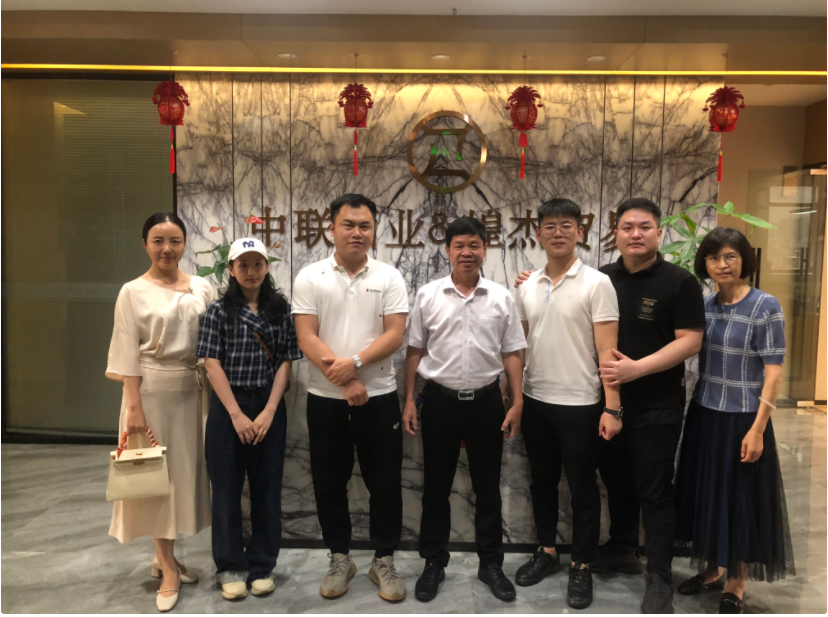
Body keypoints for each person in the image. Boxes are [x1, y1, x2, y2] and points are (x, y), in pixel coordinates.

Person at [291, 194, 409, 603]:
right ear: (331, 229)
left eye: (364, 226)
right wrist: (345, 382)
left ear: (374, 230)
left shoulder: (389, 276)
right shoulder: (311, 276)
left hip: (379, 396)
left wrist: (355, 365)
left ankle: (384, 559)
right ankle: (339, 558)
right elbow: (306, 336)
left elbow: (395, 334)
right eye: (348, 224)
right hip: (326, 398)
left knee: (385, 482)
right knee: (329, 481)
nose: (357, 232)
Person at [403, 216, 527, 603]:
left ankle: (490, 564)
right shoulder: (428, 295)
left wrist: (517, 401)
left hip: (487, 403)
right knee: (435, 488)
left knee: (488, 488)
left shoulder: (501, 297)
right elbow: (414, 350)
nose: (466, 252)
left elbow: (512, 352)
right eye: (459, 246)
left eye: (474, 245)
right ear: (447, 251)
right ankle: (433, 562)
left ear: (485, 250)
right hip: (439, 402)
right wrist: (409, 400)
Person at [590, 198, 705, 613]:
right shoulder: (601, 278)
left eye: (644, 227)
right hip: (607, 404)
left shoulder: (680, 281)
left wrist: (637, 369)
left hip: (657, 404)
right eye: (627, 227)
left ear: (659, 233)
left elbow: (690, 340)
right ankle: (622, 547)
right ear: (615, 234)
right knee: (616, 480)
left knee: (654, 491)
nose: (635, 234)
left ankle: (659, 577)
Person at [506, 198, 621, 610]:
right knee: (542, 483)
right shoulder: (527, 285)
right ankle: (547, 551)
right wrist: (515, 395)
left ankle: (582, 564)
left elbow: (608, 352)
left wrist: (612, 407)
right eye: (550, 226)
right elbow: (519, 345)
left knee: (583, 487)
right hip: (536, 400)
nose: (558, 232)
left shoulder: (597, 283)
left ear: (579, 232)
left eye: (566, 225)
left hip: (581, 403)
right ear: (537, 233)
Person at [674, 227, 794, 614]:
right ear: (704, 263)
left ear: (745, 260)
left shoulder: (765, 305)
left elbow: (774, 372)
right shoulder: (705, 305)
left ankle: (737, 580)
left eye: (730, 256)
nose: (721, 264)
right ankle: (712, 570)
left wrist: (758, 429)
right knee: (708, 493)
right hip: (705, 412)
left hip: (744, 418)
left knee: (740, 496)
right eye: (713, 257)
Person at [106, 212, 213, 613]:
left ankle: (163, 555)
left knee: (182, 477)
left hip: (192, 390)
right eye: (158, 241)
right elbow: (125, 351)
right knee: (155, 481)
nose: (167, 249)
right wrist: (134, 406)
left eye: (174, 241)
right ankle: (168, 567)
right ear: (145, 245)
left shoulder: (202, 286)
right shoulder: (132, 291)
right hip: (149, 394)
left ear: (185, 244)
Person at [197, 237, 302, 602]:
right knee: (226, 490)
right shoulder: (217, 311)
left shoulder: (280, 310)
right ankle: (229, 566)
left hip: (269, 404)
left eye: (258, 264)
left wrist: (270, 410)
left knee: (266, 489)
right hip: (230, 407)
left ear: (267, 267)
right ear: (230, 269)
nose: (251, 271)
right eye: (243, 265)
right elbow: (211, 363)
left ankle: (262, 565)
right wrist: (237, 415)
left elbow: (286, 360)